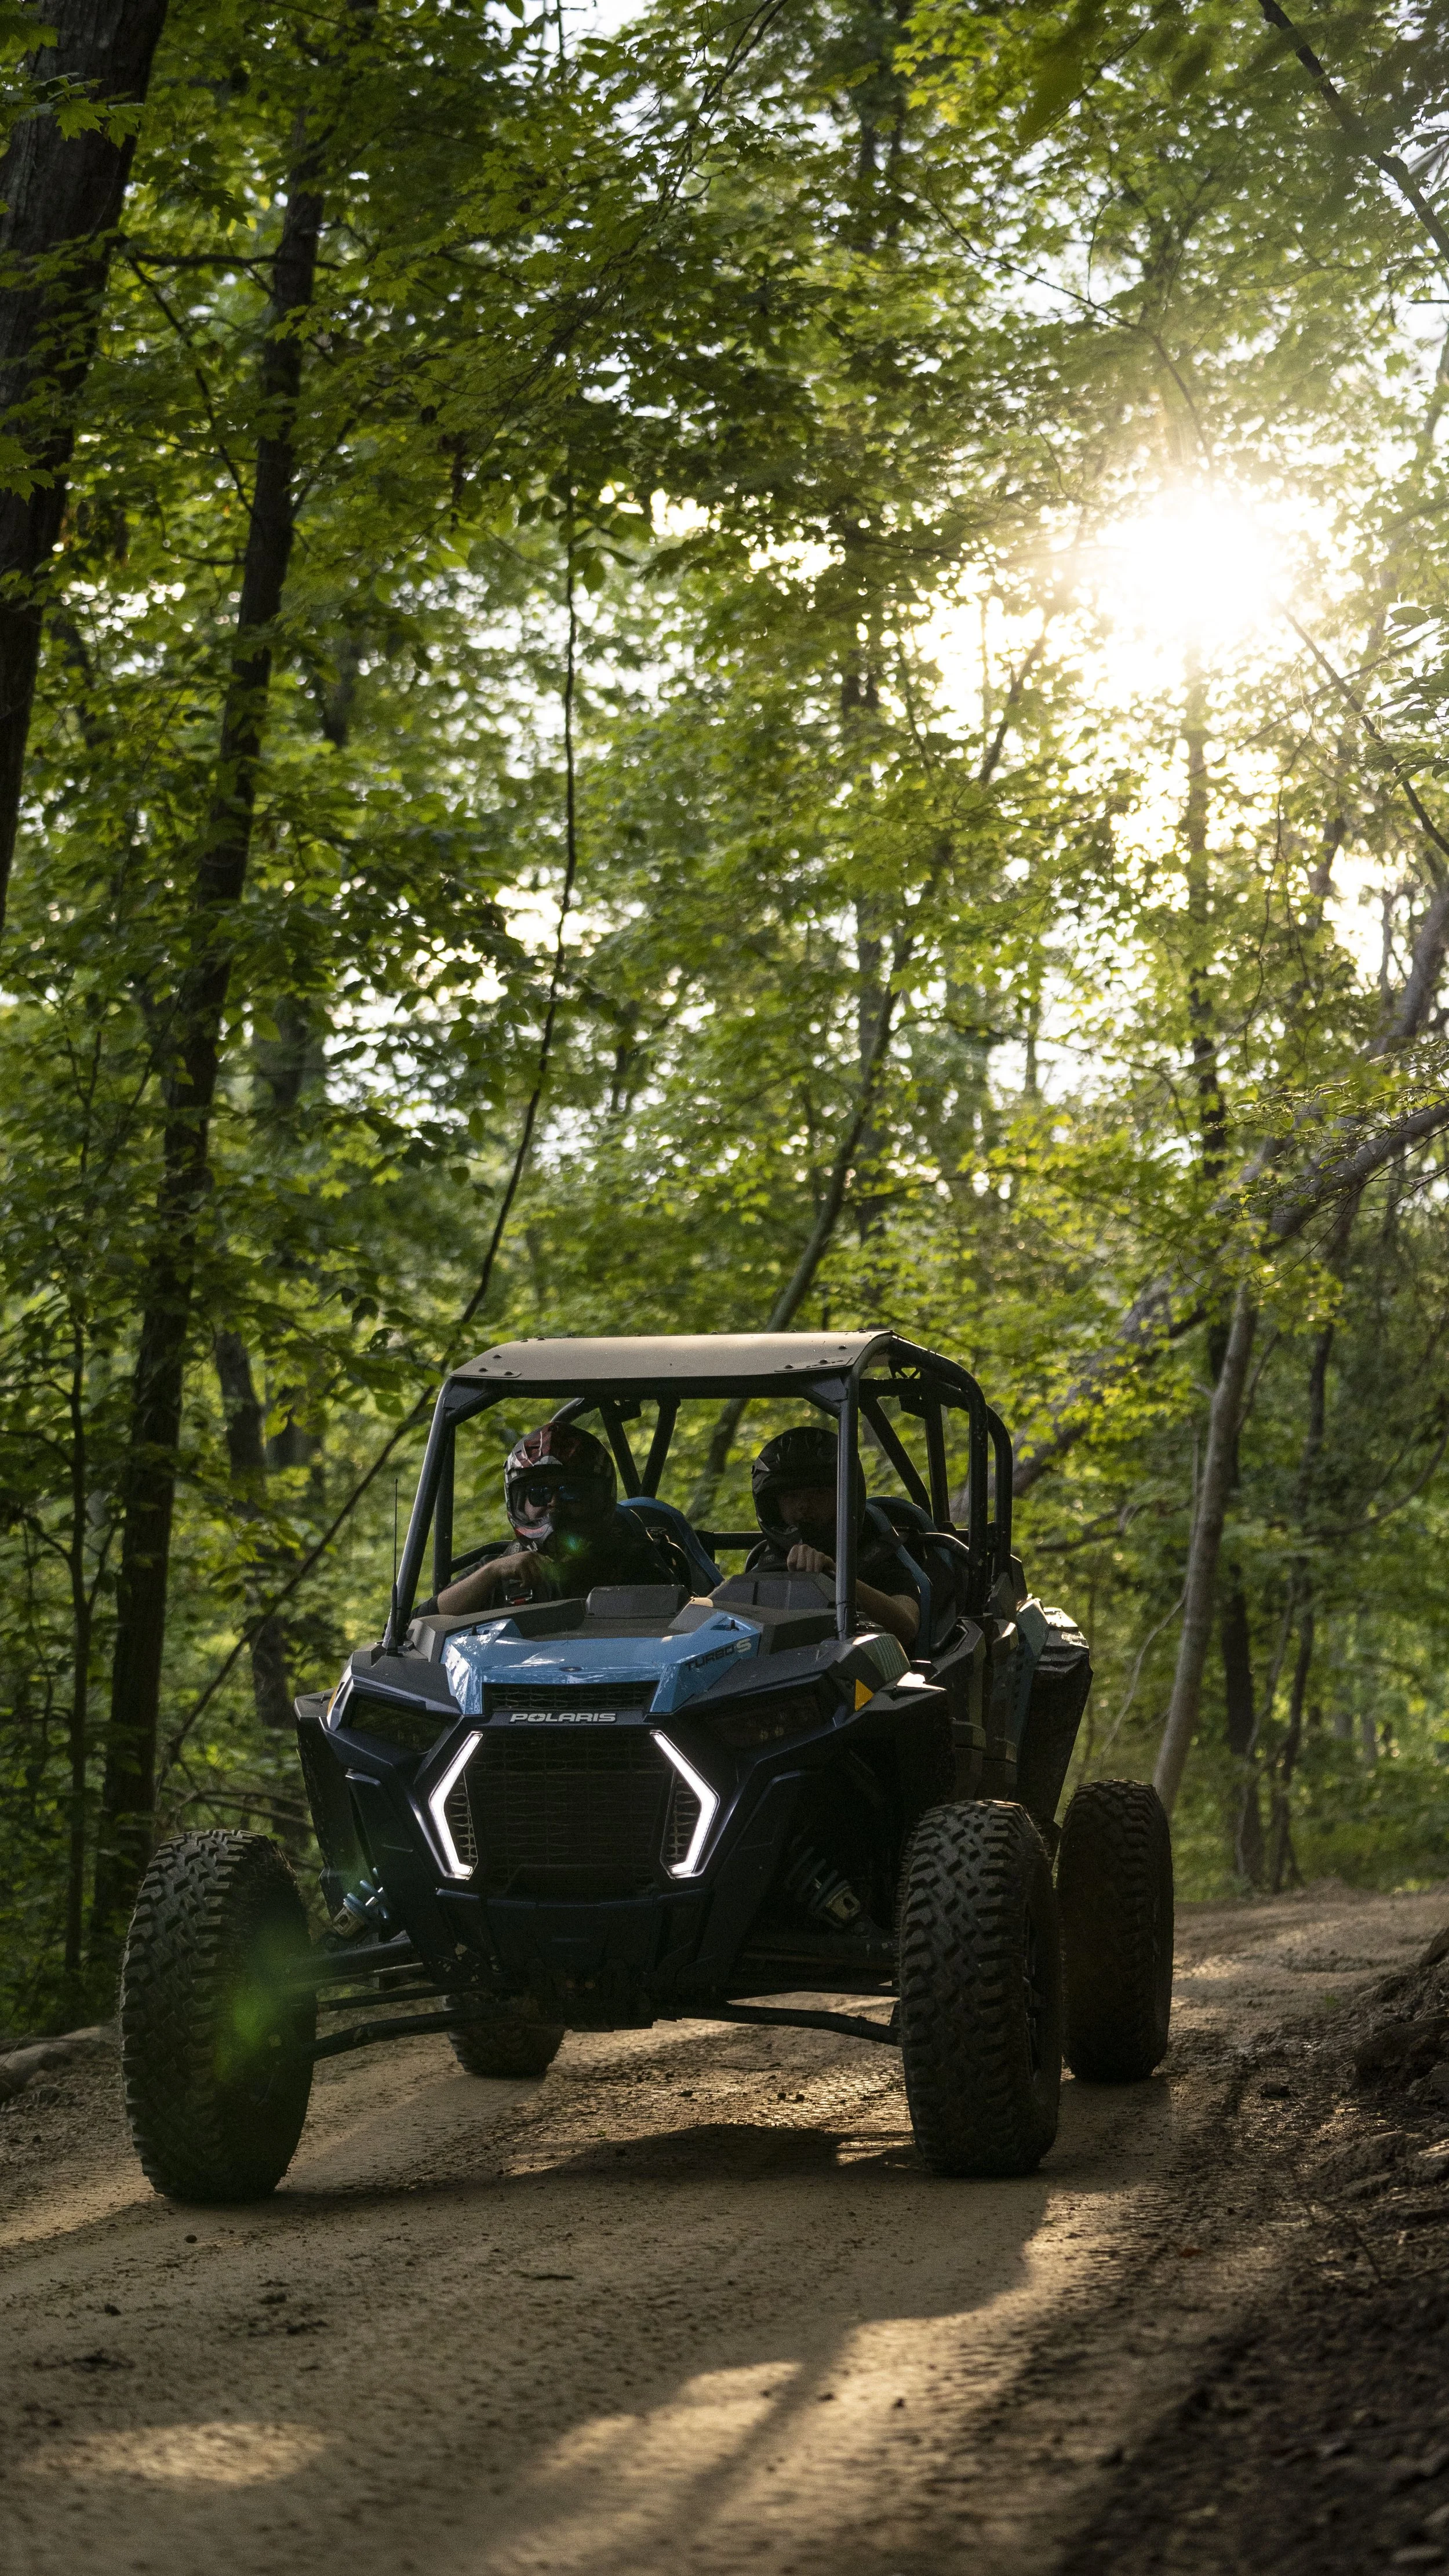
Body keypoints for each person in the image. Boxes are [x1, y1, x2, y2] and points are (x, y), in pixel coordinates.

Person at [429, 1422, 672, 1616]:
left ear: (599, 1499)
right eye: (539, 1494)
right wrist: (493, 1572)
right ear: (519, 1502)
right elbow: (420, 1624)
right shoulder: (500, 1570)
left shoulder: (635, 1564)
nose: (554, 1504)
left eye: (571, 1492)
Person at [748, 1425, 921, 1650]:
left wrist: (836, 1577)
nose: (803, 1506)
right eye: (791, 1496)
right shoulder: (766, 1563)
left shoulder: (876, 1552)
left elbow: (906, 1626)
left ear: (845, 1497)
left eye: (819, 1494)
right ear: (772, 1506)